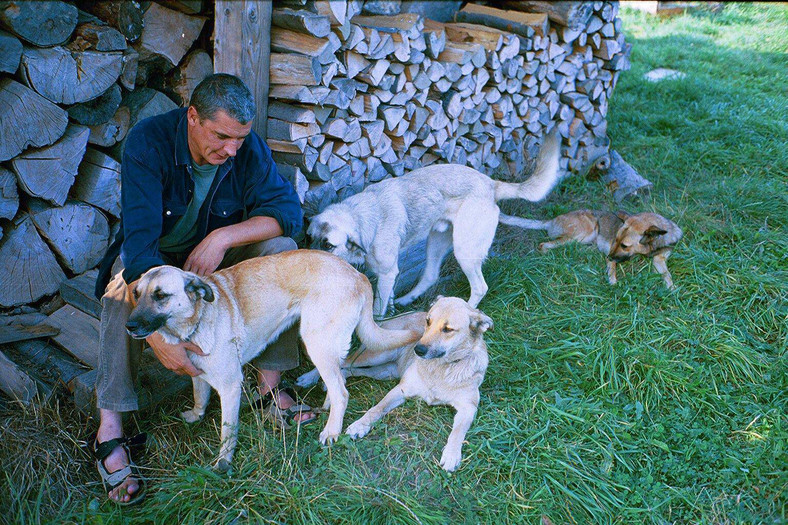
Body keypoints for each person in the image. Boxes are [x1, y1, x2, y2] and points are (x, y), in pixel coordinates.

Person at [92, 74, 314, 504]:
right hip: (159, 262)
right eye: (223, 136)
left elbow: (289, 214)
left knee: (281, 249)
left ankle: (270, 390)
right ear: (193, 117)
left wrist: (222, 238)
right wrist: (159, 337)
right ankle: (111, 428)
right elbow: (139, 250)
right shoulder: (149, 142)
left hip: (215, 260)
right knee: (122, 293)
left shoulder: (244, 146)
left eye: (240, 139)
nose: (233, 149)